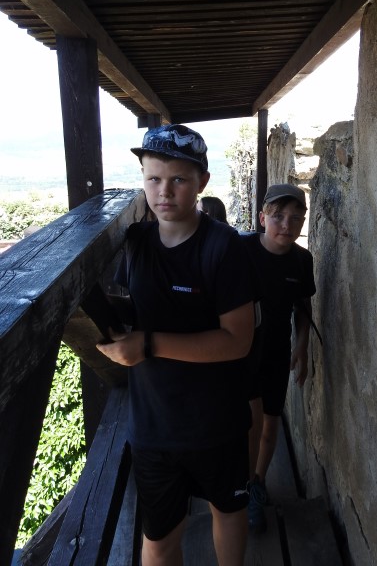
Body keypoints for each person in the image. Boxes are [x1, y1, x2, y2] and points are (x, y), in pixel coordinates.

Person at [96, 124, 255, 566]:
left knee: (228, 510)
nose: (164, 191)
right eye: (153, 178)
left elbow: (238, 340)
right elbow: (128, 308)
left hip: (217, 422)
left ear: (202, 181)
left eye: (179, 179)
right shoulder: (136, 243)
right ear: (143, 179)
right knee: (160, 537)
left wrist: (148, 345)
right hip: (154, 425)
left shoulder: (223, 246)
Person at [242, 183, 316, 534]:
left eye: (295, 218)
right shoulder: (241, 251)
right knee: (247, 421)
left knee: (270, 423)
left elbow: (303, 307)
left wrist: (301, 347)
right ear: (262, 218)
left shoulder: (301, 260)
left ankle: (256, 484)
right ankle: (239, 485)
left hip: (275, 352)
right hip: (240, 352)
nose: (286, 225)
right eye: (278, 216)